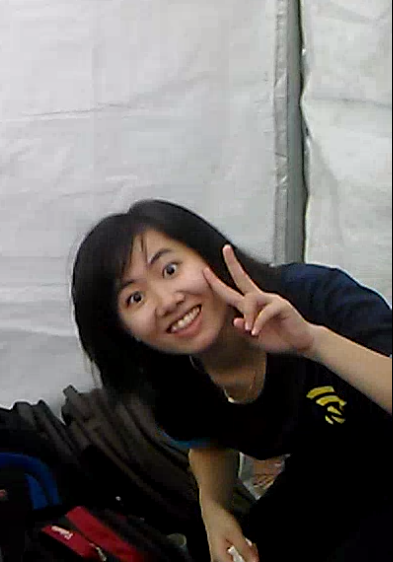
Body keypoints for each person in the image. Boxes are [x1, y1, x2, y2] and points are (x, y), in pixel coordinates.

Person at [71, 199, 392, 562]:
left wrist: (314, 343)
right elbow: (208, 444)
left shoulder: (315, 295)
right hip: (328, 471)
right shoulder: (169, 378)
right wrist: (214, 509)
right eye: (135, 298)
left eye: (170, 269)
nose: (166, 301)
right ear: (123, 330)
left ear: (208, 253)